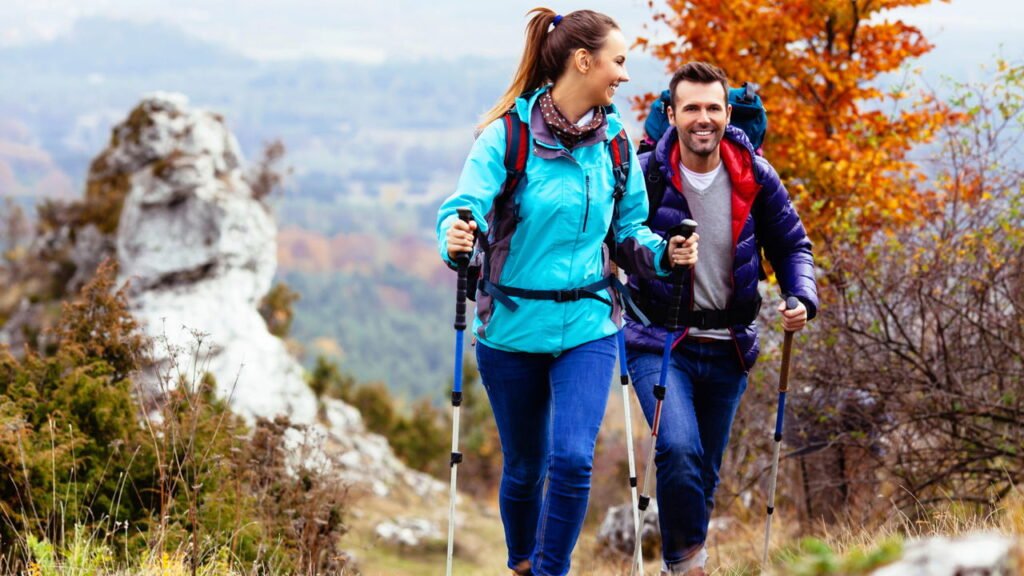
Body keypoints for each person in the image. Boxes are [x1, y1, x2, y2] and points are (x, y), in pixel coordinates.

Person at [436, 9, 695, 576]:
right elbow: (465, 208)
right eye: (618, 61)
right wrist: (456, 236)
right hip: (510, 326)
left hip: (590, 326)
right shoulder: (507, 137)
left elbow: (629, 233)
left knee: (573, 459)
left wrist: (662, 253)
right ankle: (521, 564)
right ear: (584, 61)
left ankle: (553, 571)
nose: (624, 76)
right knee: (526, 466)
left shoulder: (617, 144)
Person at [623, 62, 819, 575]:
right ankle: (688, 565)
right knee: (678, 448)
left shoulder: (754, 173)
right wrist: (659, 254)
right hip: (659, 339)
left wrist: (802, 296)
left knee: (703, 473)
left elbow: (792, 243)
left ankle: (682, 562)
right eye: (691, 108)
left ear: (728, 113)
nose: (702, 118)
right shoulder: (646, 174)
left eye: (712, 108)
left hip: (730, 342)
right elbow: (619, 243)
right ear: (671, 115)